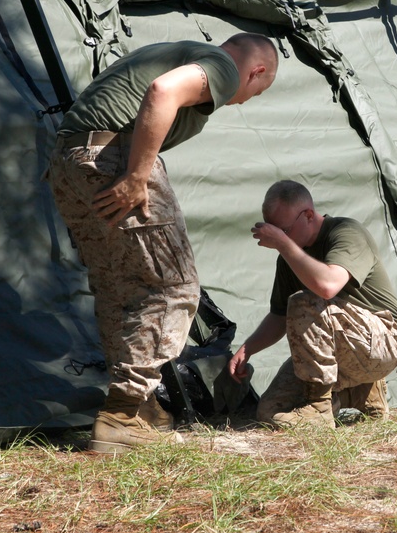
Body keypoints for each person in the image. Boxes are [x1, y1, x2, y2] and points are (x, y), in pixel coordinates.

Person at [47, 33, 279, 454]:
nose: (242, 102)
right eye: (254, 92)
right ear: (256, 70)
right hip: (111, 155)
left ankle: (141, 407)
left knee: (120, 287)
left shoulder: (170, 50)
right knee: (175, 286)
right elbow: (163, 91)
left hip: (69, 161)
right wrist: (137, 176)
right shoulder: (223, 66)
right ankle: (123, 411)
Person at [227, 180, 397, 429]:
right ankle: (361, 393)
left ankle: (319, 407)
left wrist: (283, 244)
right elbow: (280, 317)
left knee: (305, 300)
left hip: (384, 343)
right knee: (270, 411)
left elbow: (327, 286)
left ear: (309, 215)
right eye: (274, 232)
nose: (279, 240)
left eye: (284, 231)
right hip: (341, 351)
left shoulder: (347, 232)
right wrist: (247, 350)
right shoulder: (292, 256)